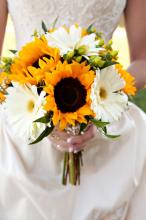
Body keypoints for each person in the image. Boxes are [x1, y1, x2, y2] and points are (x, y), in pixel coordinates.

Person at [0, 0, 146, 219]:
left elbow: (143, 59)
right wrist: (36, 105)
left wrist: (98, 104)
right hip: (21, 125)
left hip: (104, 121)